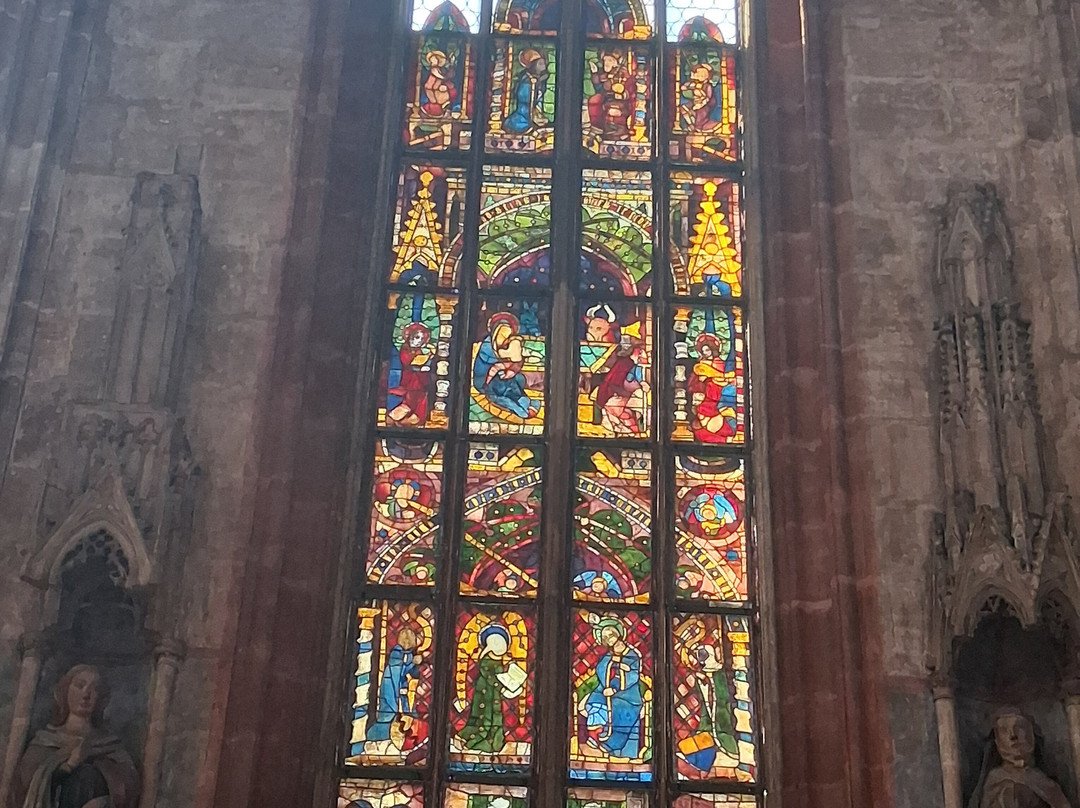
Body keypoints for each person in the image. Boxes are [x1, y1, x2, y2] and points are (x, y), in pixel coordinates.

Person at [9, 665, 140, 808]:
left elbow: (129, 788)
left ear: (101, 698)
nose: (86, 694)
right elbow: (24, 786)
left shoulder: (109, 745)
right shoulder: (45, 740)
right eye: (80, 686)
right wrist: (70, 765)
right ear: (65, 691)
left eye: (95, 689)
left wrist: (106, 799)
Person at [969, 708, 1072, 808]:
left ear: (1031, 734)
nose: (1013, 735)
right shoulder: (994, 780)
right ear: (997, 740)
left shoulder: (1043, 781)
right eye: (1004, 730)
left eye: (1020, 728)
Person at [579, 617, 643, 759]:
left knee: (620, 710)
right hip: (605, 690)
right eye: (606, 638)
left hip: (627, 696)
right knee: (594, 701)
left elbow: (633, 675)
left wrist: (615, 688)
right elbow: (601, 669)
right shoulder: (609, 655)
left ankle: (609, 746)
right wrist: (608, 684)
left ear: (618, 633)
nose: (610, 639)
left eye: (611, 634)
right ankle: (595, 738)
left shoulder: (633, 654)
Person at [457, 625, 514, 753]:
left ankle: (495, 740)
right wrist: (503, 688)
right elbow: (490, 677)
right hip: (485, 693)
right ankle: (478, 740)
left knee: (495, 716)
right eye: (496, 642)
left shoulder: (499, 661)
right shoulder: (486, 661)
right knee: (485, 717)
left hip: (494, 694)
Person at [473, 313, 539, 420]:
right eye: (503, 335)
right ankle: (519, 408)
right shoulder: (487, 347)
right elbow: (497, 366)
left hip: (501, 376)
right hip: (485, 381)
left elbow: (515, 361)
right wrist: (511, 363)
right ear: (495, 332)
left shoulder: (505, 346)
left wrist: (513, 367)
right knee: (503, 391)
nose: (506, 340)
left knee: (517, 381)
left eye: (508, 336)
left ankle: (524, 402)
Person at [364, 629, 422, 746]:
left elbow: (411, 672)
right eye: (406, 640)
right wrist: (413, 663)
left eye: (409, 640)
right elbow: (398, 669)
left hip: (401, 686)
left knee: (404, 705)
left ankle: (401, 727)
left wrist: (415, 664)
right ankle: (384, 729)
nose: (407, 643)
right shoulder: (396, 652)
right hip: (391, 684)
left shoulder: (409, 653)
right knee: (390, 708)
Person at [688, 333, 738, 443]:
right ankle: (724, 439)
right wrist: (701, 382)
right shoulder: (700, 365)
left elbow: (722, 378)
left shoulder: (719, 363)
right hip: (705, 396)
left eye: (707, 350)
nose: (705, 353)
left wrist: (713, 379)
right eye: (703, 351)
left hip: (716, 394)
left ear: (713, 349)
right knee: (700, 422)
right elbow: (693, 383)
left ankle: (726, 437)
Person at [386, 322, 433, 425]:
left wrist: (427, 361)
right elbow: (408, 363)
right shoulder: (405, 350)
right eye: (416, 337)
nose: (419, 341)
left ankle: (415, 418)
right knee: (410, 400)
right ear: (409, 337)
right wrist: (419, 366)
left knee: (421, 397)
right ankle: (396, 417)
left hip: (419, 383)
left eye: (422, 339)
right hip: (410, 380)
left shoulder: (419, 351)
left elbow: (421, 362)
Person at [502, 49, 549, 134]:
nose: (544, 67)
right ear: (533, 65)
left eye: (544, 63)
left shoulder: (540, 80)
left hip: (535, 112)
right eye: (540, 64)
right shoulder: (526, 80)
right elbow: (523, 97)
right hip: (523, 113)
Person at [587, 51, 633, 138]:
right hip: (606, 101)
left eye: (610, 60)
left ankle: (621, 129)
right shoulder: (604, 76)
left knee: (616, 110)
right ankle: (599, 128)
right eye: (605, 60)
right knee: (595, 100)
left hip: (622, 103)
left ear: (616, 63)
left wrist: (621, 94)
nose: (606, 63)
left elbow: (630, 89)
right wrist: (594, 73)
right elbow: (599, 89)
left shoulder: (623, 74)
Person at [680, 63, 723, 133]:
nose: (701, 76)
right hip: (695, 102)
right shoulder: (693, 84)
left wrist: (701, 104)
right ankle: (691, 125)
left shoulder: (707, 86)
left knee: (701, 115)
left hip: (705, 104)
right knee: (683, 109)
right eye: (699, 74)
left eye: (704, 75)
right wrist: (686, 87)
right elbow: (684, 87)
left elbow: (708, 97)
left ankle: (700, 127)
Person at [421, 50, 458, 117]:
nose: (432, 62)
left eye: (434, 59)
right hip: (431, 87)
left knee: (445, 89)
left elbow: (449, 75)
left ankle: (444, 106)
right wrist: (444, 78)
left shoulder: (442, 69)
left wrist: (451, 64)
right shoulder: (434, 69)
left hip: (437, 87)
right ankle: (437, 107)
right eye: (431, 61)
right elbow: (438, 76)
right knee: (434, 94)